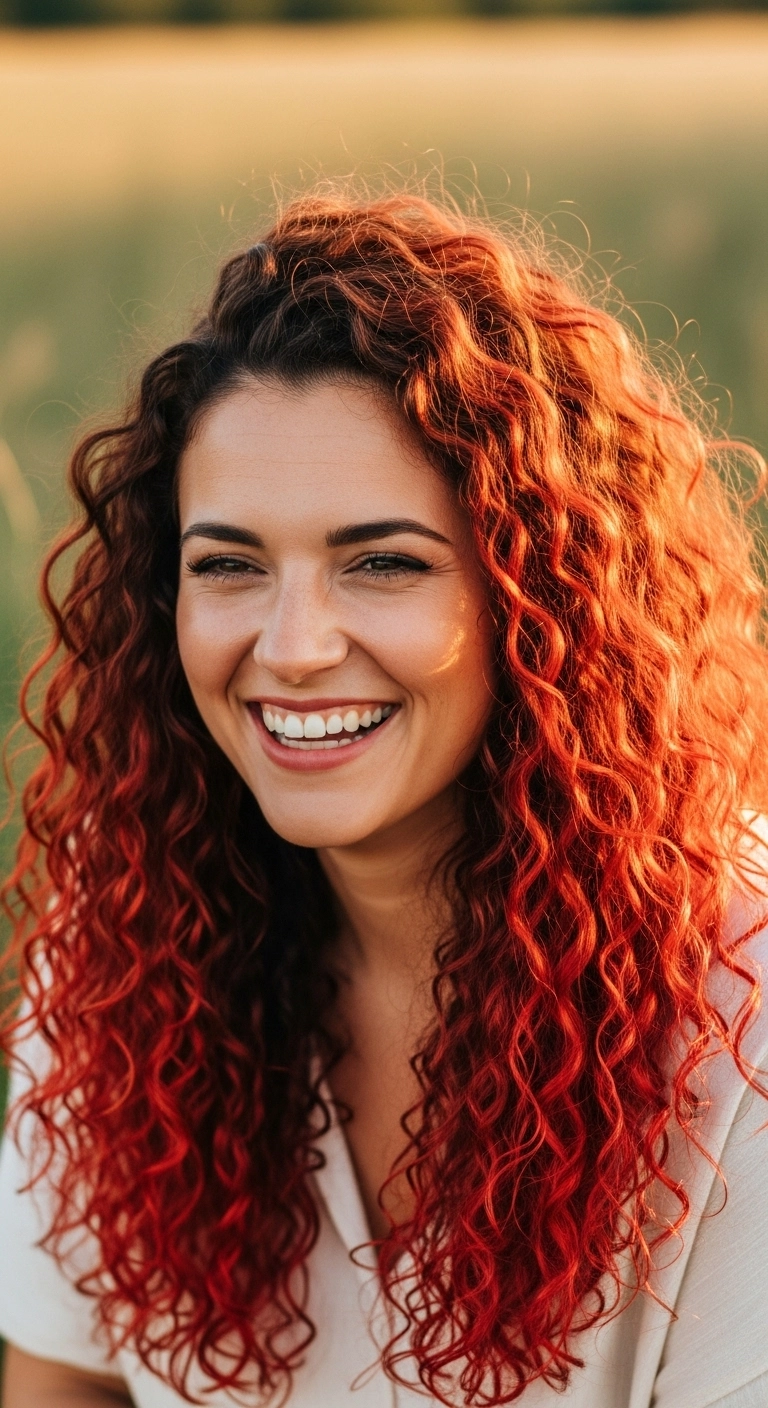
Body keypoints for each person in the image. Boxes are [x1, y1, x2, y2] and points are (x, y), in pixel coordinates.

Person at [1, 191, 767, 1408]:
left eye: (384, 562)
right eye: (229, 565)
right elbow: (60, 1385)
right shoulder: (124, 934)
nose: (293, 646)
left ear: (542, 595)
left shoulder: (745, 1012)